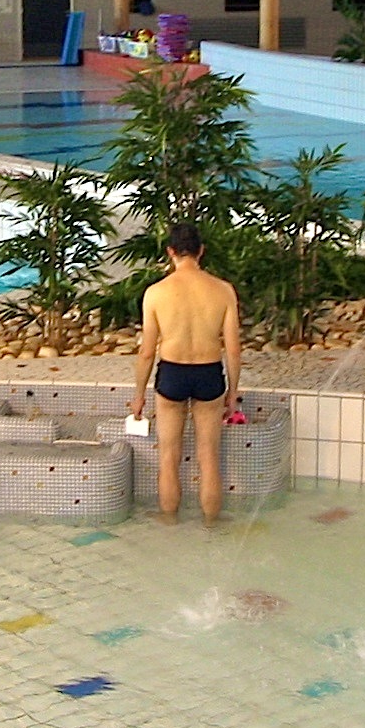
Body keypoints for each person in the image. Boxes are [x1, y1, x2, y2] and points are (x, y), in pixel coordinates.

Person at [129, 221, 242, 523]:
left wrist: (138, 396)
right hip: (209, 374)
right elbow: (232, 349)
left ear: (170, 252)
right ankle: (211, 526)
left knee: (168, 457)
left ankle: (169, 523)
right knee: (209, 457)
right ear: (201, 251)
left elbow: (147, 352)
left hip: (172, 374)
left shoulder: (155, 293)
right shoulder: (223, 291)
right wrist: (232, 393)